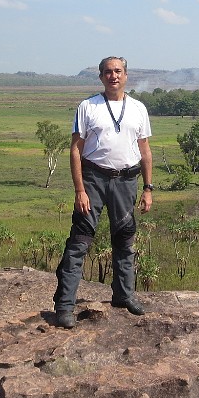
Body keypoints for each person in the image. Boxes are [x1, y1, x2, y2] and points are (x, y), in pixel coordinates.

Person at [53, 56, 153, 328]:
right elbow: (75, 149)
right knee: (80, 241)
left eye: (118, 71)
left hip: (126, 181)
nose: (113, 76)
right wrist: (79, 190)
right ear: (100, 77)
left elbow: (144, 150)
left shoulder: (138, 109)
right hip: (94, 179)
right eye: (108, 72)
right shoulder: (88, 106)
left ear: (126, 75)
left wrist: (147, 187)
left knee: (124, 239)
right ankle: (64, 306)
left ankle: (124, 295)